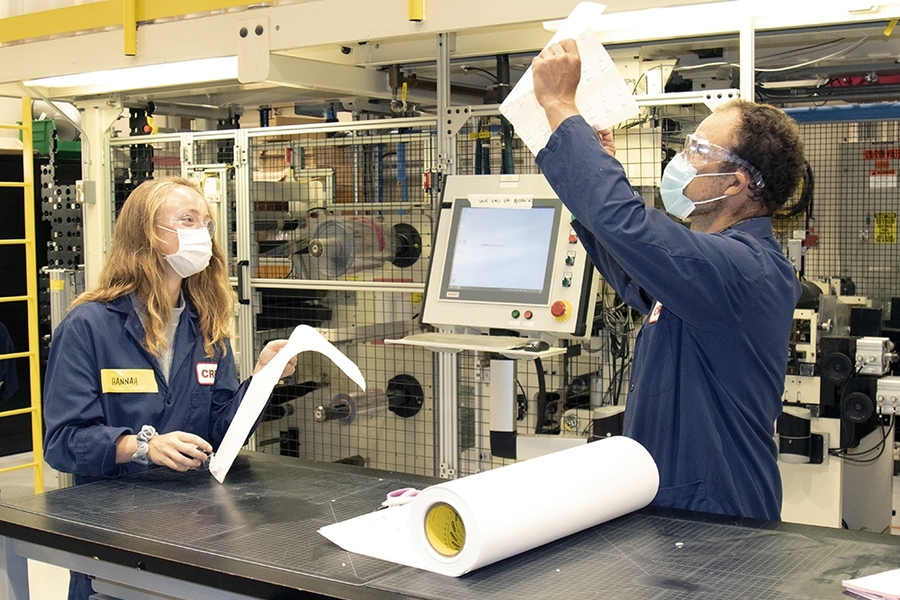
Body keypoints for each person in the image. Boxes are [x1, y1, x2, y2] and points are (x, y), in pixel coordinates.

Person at [532, 39, 805, 521]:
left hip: (720, 516)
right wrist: (592, 172)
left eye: (698, 150)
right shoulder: (709, 272)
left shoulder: (744, 269)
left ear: (735, 184)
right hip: (678, 503)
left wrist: (560, 105)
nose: (683, 158)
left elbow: (628, 224)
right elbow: (631, 262)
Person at [43, 176, 296, 599]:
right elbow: (63, 442)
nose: (203, 234)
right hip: (113, 530)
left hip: (193, 524)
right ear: (148, 234)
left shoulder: (206, 324)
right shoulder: (89, 326)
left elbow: (217, 433)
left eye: (207, 224)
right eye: (187, 220)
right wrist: (142, 446)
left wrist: (263, 381)